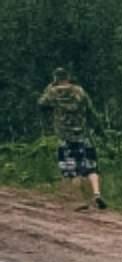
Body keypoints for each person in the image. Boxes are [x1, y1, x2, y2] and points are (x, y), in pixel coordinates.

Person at [38, 67, 106, 210]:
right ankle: (97, 194)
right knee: (91, 167)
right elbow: (91, 111)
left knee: (72, 170)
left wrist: (50, 86)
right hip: (83, 134)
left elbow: (41, 104)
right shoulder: (79, 91)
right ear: (68, 77)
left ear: (56, 79)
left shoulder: (52, 92)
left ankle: (82, 200)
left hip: (65, 137)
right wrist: (100, 131)